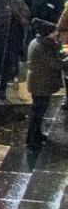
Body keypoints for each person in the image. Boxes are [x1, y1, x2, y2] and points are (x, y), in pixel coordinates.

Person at [26, 19, 67, 148]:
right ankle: (32, 140)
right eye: (54, 31)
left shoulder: (40, 43)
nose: (56, 33)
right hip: (41, 84)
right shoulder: (42, 47)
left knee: (38, 111)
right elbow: (55, 64)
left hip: (40, 82)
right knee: (38, 112)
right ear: (47, 33)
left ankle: (36, 134)